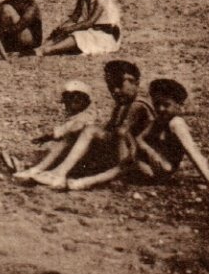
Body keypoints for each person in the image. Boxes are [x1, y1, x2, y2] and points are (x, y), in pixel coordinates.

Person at [32, 60, 154, 190]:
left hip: (135, 159)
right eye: (111, 87)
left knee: (89, 131)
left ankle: (55, 171)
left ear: (135, 81)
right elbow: (110, 129)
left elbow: (120, 132)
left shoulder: (138, 105)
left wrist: (88, 131)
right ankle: (45, 168)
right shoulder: (123, 105)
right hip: (123, 153)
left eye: (119, 85)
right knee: (80, 133)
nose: (115, 91)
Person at [4, 80, 98, 180]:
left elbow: (73, 128)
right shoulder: (78, 115)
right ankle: (28, 165)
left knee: (66, 141)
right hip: (78, 155)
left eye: (74, 100)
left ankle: (34, 168)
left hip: (86, 157)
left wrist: (48, 136)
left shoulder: (86, 116)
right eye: (67, 101)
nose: (68, 105)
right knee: (58, 145)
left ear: (84, 101)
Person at [134, 79, 209, 187]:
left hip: (162, 168)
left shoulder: (176, 124)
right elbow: (139, 138)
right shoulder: (160, 119)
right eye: (157, 104)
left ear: (178, 104)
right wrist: (150, 152)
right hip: (154, 161)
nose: (160, 108)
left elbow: (191, 151)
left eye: (166, 104)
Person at [36, 0, 122, 56]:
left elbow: (89, 22)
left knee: (78, 35)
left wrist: (70, 28)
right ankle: (40, 48)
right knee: (62, 33)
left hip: (106, 35)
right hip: (92, 31)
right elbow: (74, 18)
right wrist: (62, 27)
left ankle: (49, 50)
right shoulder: (82, 0)